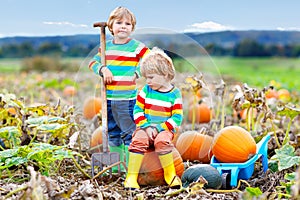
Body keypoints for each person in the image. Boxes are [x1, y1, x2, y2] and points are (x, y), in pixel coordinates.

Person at [88, 6, 150, 172]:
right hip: (108, 99)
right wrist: (103, 69)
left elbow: (150, 60)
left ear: (132, 28)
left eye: (128, 24)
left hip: (128, 99)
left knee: (129, 132)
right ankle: (115, 167)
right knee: (113, 132)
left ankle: (130, 166)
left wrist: (137, 72)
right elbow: (93, 63)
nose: (123, 26)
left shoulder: (137, 47)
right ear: (110, 26)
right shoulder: (106, 47)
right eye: (119, 22)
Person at [124, 47, 183, 189]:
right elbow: (137, 110)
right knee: (138, 140)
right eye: (146, 78)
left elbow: (176, 118)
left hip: (164, 128)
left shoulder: (174, 94)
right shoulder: (146, 91)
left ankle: (170, 175)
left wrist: (158, 128)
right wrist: (146, 126)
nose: (148, 81)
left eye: (151, 77)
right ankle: (131, 177)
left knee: (162, 141)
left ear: (165, 74)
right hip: (145, 126)